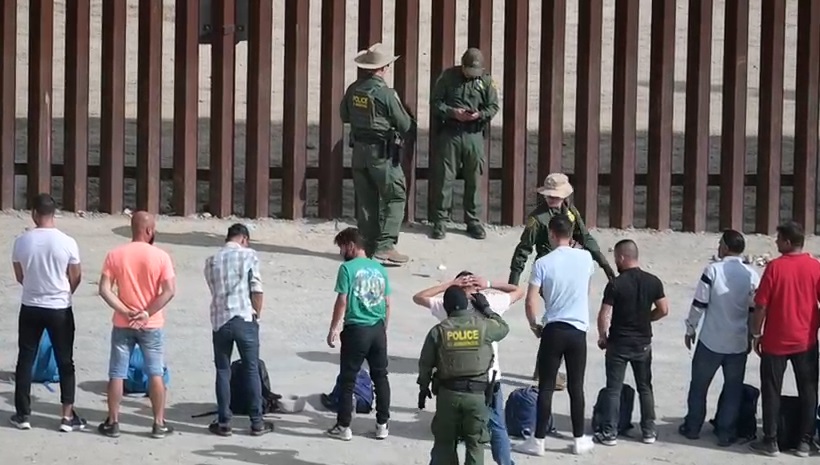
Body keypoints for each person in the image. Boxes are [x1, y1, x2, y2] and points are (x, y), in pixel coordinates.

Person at [412, 271, 524, 465]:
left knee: (445, 442)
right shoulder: (484, 323)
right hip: (481, 390)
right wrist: (487, 304)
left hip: (448, 393)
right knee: (477, 442)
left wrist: (423, 387)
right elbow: (504, 326)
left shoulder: (440, 328)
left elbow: (426, 363)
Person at [515, 215, 596, 456]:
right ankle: (579, 438)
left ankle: (538, 440)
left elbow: (531, 301)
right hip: (578, 329)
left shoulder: (543, 263)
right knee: (576, 386)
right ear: (571, 234)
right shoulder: (586, 257)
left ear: (551, 234)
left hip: (553, 329)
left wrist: (533, 324)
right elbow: (587, 289)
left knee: (547, 386)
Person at [10, 193, 85, 431]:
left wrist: (35, 287)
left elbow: (20, 275)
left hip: (31, 304)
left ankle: (23, 414)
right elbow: (76, 275)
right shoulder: (67, 241)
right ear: (54, 214)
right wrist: (65, 291)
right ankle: (66, 415)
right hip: (59, 306)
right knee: (65, 361)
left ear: (34, 214)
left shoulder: (21, 241)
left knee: (25, 358)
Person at [97, 211, 176, 439]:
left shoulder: (115, 254)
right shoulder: (161, 256)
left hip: (123, 322)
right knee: (155, 373)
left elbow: (104, 289)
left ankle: (113, 422)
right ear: (149, 230)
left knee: (117, 373)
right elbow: (169, 291)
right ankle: (158, 423)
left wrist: (125, 310)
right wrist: (146, 312)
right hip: (151, 323)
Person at [679, 230, 759, 447]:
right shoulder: (751, 274)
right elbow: (755, 309)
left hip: (711, 340)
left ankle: (693, 427)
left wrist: (690, 328)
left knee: (699, 386)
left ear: (724, 247)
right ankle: (725, 432)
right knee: (733, 389)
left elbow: (699, 304)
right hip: (738, 341)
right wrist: (753, 335)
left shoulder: (713, 270)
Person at [340, 42, 416, 265]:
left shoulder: (354, 89)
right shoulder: (385, 93)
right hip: (381, 154)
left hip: (359, 152)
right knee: (395, 194)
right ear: (383, 68)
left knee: (366, 201)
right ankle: (385, 246)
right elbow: (404, 124)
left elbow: (344, 115)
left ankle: (366, 246)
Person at [749, 221, 820, 457]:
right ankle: (805, 442)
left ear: (788, 242)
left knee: (771, 390)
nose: (776, 242)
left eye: (779, 239)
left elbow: (761, 305)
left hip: (776, 340)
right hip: (806, 339)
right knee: (809, 390)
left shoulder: (775, 268)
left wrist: (756, 333)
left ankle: (771, 440)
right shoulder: (814, 266)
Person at [594, 239, 668, 446]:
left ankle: (609, 433)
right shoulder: (653, 281)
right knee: (645, 386)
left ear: (621, 257)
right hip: (643, 343)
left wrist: (603, 336)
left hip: (619, 343)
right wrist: (647, 318)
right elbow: (664, 309)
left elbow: (604, 315)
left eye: (616, 257)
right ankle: (649, 431)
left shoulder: (616, 284)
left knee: (613, 389)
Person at [204, 223, 274, 437]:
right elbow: (257, 288)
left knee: (223, 371)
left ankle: (224, 422)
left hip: (220, 320)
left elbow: (213, 289)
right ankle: (257, 422)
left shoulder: (211, 261)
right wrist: (256, 315)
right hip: (244, 317)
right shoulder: (248, 255)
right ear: (244, 239)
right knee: (251, 368)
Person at [325, 227, 392, 441]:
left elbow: (342, 300)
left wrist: (334, 328)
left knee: (348, 379)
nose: (341, 252)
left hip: (356, 328)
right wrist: (384, 327)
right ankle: (382, 424)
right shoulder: (380, 269)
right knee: (380, 376)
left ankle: (344, 426)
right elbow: (388, 303)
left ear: (351, 246)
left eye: (342, 247)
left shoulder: (347, 269)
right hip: (378, 328)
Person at [428, 48, 500, 240]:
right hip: (451, 133)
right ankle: (440, 221)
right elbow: (435, 102)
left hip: (474, 134)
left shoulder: (485, 81)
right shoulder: (448, 77)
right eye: (469, 71)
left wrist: (480, 115)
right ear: (463, 66)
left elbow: (493, 106)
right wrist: (453, 112)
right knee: (445, 178)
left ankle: (473, 221)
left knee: (474, 179)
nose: (472, 76)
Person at [507, 172, 615, 286]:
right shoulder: (537, 219)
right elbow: (523, 249)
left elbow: (584, 236)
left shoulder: (570, 210)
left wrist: (604, 264)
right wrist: (513, 282)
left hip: (570, 261)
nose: (551, 199)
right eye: (548, 196)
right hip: (549, 265)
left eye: (555, 196)